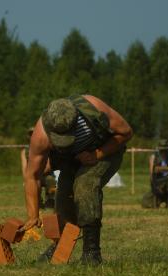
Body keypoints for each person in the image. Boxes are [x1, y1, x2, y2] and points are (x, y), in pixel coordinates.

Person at [20, 94, 133, 265]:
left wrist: (97, 154)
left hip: (105, 151)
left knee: (85, 185)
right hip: (72, 160)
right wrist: (33, 214)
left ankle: (91, 252)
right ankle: (60, 248)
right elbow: (32, 175)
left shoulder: (92, 108)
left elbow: (125, 132)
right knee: (64, 201)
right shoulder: (41, 135)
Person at [20, 127, 56, 209]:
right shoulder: (24, 151)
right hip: (33, 175)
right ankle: (37, 203)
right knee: (28, 182)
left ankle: (50, 200)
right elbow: (24, 167)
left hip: (45, 175)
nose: (33, 136)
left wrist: (35, 174)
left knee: (51, 179)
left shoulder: (48, 149)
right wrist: (27, 178)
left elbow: (49, 166)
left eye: (35, 133)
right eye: (31, 134)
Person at [143, 139, 168, 209]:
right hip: (159, 181)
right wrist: (154, 186)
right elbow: (152, 173)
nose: (163, 152)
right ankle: (159, 200)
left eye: (165, 150)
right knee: (146, 203)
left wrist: (161, 168)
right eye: (162, 150)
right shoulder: (153, 156)